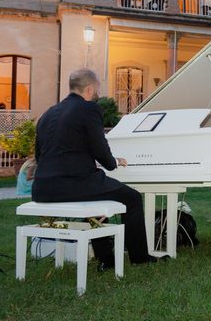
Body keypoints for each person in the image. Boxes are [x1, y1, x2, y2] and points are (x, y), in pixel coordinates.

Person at [32, 68, 161, 270]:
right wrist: (114, 162)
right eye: (97, 89)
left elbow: (39, 156)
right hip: (74, 184)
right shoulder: (88, 109)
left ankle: (106, 259)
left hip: (43, 189)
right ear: (90, 89)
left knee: (95, 197)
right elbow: (99, 148)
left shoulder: (48, 114)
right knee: (132, 198)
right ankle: (140, 257)